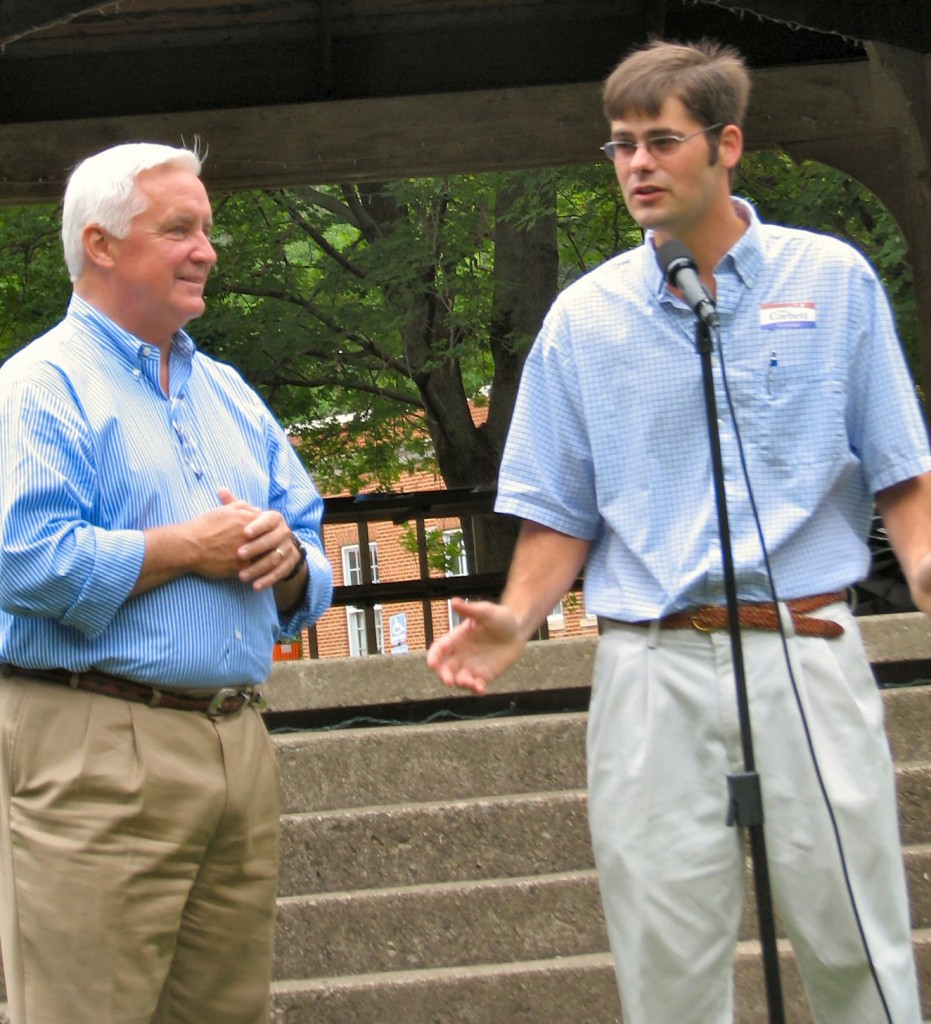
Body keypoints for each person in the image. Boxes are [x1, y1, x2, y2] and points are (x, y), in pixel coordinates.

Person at [427, 39, 931, 1024]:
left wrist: (920, 558)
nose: (637, 165)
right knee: (665, 971)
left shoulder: (831, 279)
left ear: (725, 144)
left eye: (660, 140)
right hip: (649, 665)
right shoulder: (583, 319)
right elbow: (560, 512)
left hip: (804, 646)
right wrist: (516, 618)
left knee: (856, 949)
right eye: (620, 145)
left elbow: (899, 464)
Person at [0, 142, 333, 1024]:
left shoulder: (229, 392)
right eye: (180, 229)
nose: (206, 251)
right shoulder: (37, 388)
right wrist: (187, 548)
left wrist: (287, 561)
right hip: (94, 740)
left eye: (208, 230)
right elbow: (24, 562)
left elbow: (309, 542)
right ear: (102, 244)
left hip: (235, 740)